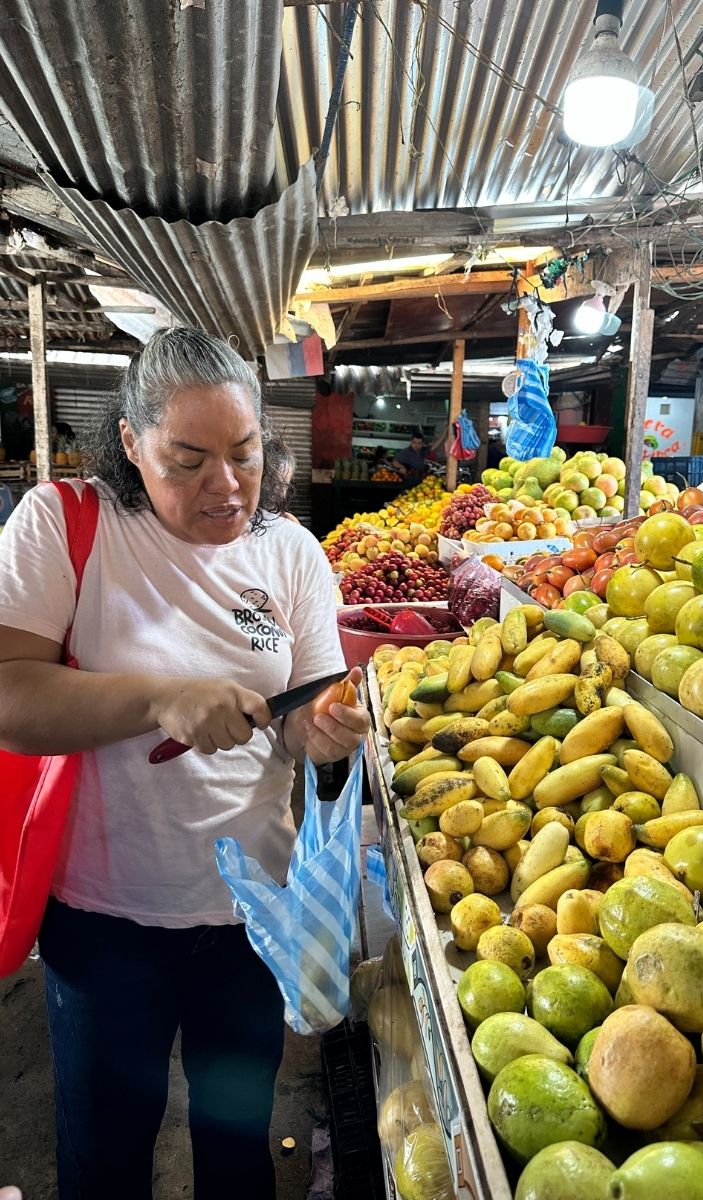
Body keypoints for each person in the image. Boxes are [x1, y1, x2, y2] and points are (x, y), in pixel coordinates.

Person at [0, 327, 370, 1200]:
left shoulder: (291, 553)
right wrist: (159, 697)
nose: (227, 484)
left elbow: (298, 717)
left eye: (244, 453)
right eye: (188, 459)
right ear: (131, 443)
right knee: (105, 1153)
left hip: (251, 918)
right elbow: (12, 702)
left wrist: (318, 732)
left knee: (238, 1145)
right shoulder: (64, 525)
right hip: (104, 921)